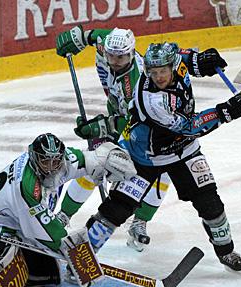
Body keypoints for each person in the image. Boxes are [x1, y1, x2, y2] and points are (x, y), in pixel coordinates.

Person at [75, 42, 241, 275]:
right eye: (153, 72)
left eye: (163, 71)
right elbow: (188, 127)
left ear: (171, 66)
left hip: (184, 151)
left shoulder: (174, 62)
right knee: (118, 207)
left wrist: (202, 62)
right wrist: (225, 112)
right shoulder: (152, 101)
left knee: (211, 203)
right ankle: (80, 256)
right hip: (145, 156)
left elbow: (185, 58)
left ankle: (226, 252)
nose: (158, 77)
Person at [0, 133, 136, 287]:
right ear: (35, 158)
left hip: (14, 222)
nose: (52, 168)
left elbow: (89, 159)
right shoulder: (26, 185)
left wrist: (106, 156)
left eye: (55, 161)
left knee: (49, 274)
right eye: (45, 161)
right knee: (10, 266)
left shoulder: (63, 162)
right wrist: (73, 252)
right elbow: (44, 232)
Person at [56, 25, 171, 252]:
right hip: (118, 115)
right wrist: (82, 36)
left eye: (121, 57)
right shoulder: (107, 45)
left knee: (161, 174)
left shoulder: (138, 83)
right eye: (111, 55)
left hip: (148, 129)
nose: (115, 61)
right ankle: (62, 216)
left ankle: (139, 221)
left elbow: (133, 121)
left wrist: (99, 127)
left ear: (131, 53)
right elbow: (99, 35)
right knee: (95, 165)